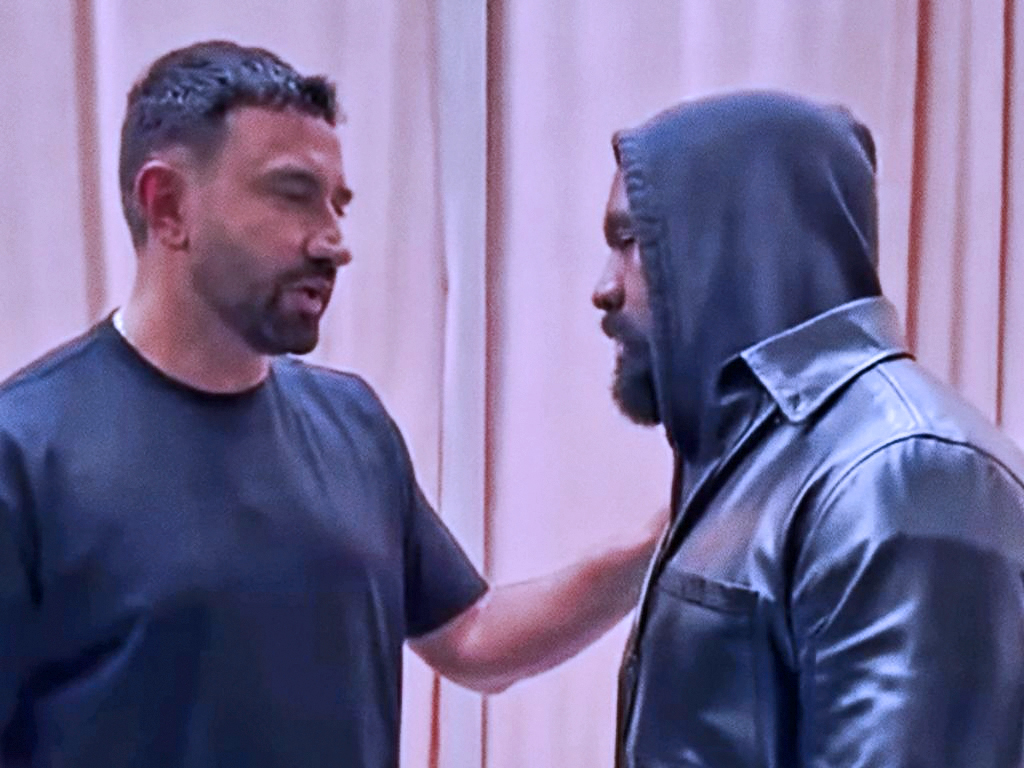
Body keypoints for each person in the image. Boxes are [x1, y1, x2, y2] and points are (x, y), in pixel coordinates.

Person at [0, 41, 665, 767]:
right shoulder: (24, 452)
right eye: (292, 195)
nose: (334, 241)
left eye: (337, 204)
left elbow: (472, 638)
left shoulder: (352, 424)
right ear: (168, 206)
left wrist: (665, 534)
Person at [592, 90, 1024, 768]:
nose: (604, 287)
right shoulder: (761, 459)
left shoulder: (905, 471)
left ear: (737, 242)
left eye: (630, 241)